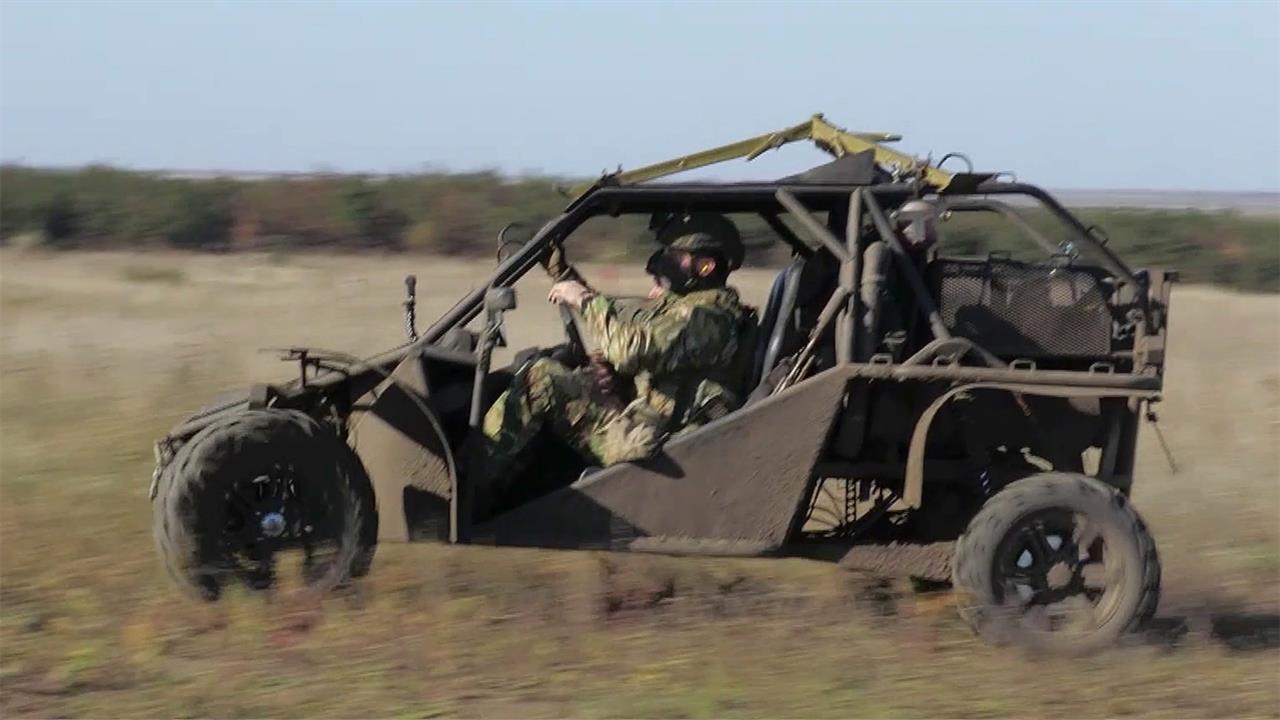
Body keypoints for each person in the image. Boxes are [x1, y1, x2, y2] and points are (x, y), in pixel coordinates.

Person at [474, 213, 756, 510]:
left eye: (676, 255)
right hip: (648, 427)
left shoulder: (708, 319)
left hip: (657, 443)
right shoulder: (692, 309)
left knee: (541, 378)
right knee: (564, 368)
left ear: (705, 266)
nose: (664, 262)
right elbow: (623, 322)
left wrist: (582, 299)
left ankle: (465, 495)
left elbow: (627, 347)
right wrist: (563, 274)